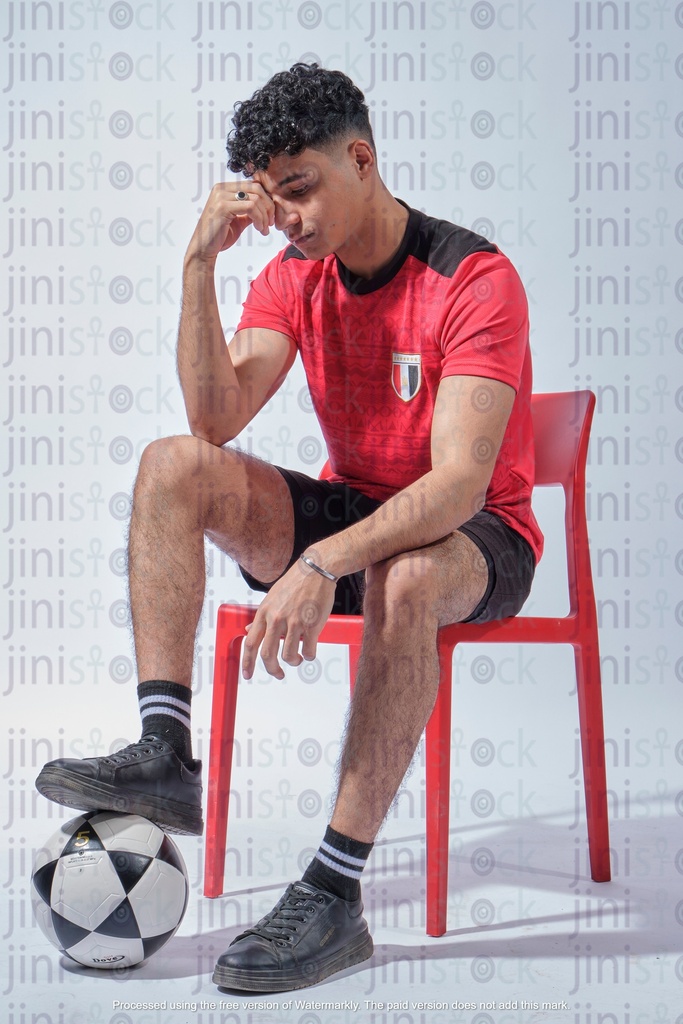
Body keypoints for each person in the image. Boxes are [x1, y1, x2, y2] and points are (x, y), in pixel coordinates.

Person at [36, 63, 543, 992]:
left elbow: (459, 485)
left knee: (405, 576)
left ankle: (334, 892)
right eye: (273, 197)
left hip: (478, 537)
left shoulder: (472, 277)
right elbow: (213, 418)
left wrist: (322, 562)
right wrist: (198, 266)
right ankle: (164, 750)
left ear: (362, 159)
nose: (288, 218)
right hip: (356, 517)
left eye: (301, 188)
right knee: (172, 465)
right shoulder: (292, 276)